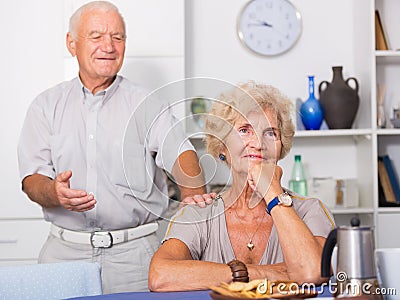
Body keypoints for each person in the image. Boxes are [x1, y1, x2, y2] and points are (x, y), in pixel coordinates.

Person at [17, 1, 208, 294]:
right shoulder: (45, 106)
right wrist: (54, 192)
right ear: (72, 43)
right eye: (96, 36)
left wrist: (193, 195)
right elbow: (32, 180)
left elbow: (181, 152)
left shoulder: (147, 103)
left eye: (117, 37)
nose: (109, 45)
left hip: (136, 257)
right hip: (64, 253)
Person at [148, 82, 335, 291]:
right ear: (222, 146)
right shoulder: (199, 213)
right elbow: (160, 276)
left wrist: (272, 193)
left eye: (270, 133)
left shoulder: (310, 210)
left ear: (281, 146)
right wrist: (263, 273)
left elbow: (314, 272)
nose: (258, 143)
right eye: (245, 130)